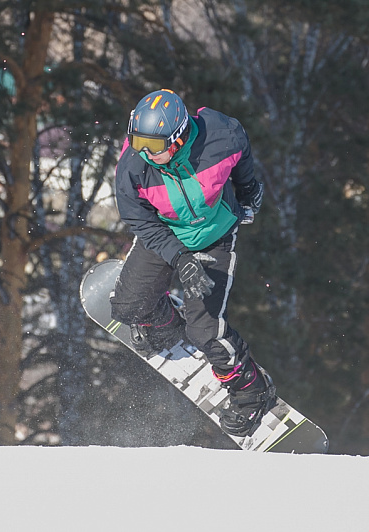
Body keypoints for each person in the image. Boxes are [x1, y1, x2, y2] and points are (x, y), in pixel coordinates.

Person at [110, 88, 273, 437]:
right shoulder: (133, 168)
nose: (144, 153)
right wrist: (180, 258)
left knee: (205, 331)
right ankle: (167, 323)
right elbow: (140, 221)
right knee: (128, 308)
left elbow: (241, 148)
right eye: (137, 141)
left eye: (153, 146)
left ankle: (253, 391)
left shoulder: (221, 136)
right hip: (165, 234)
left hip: (215, 234)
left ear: (179, 137)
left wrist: (247, 188)